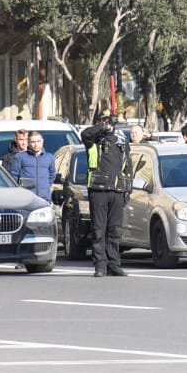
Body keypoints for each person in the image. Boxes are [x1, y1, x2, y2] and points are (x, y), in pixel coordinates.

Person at [81, 115, 131, 276]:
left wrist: (127, 189)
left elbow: (127, 167)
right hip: (98, 189)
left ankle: (114, 263)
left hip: (117, 190)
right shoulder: (93, 141)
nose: (108, 126)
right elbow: (85, 134)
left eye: (110, 123)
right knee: (98, 230)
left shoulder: (121, 142)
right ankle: (100, 265)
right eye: (104, 123)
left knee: (115, 230)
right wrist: (102, 127)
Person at [8, 131, 54, 201]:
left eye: (38, 141)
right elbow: (14, 176)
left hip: (44, 197)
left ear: (42, 141)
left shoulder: (49, 157)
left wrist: (45, 187)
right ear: (28, 143)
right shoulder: (20, 157)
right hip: (26, 197)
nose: (36, 144)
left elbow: (52, 174)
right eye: (33, 142)